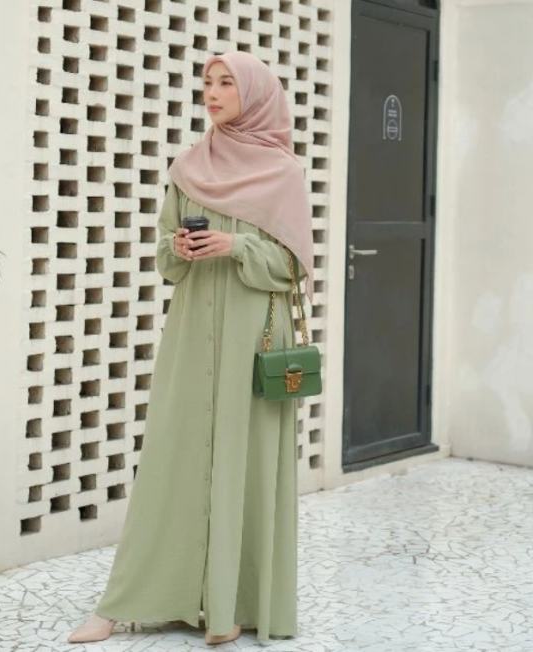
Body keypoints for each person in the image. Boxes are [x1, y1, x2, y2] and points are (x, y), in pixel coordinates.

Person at [68, 50, 314, 646]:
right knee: (172, 460)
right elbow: (163, 256)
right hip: (192, 331)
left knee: (246, 463)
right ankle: (129, 600)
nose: (212, 91)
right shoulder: (187, 167)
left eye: (227, 83)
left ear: (255, 95)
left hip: (254, 336)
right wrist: (178, 247)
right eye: (207, 82)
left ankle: (231, 605)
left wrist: (236, 247)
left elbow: (292, 267)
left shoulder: (284, 173)